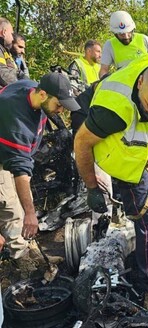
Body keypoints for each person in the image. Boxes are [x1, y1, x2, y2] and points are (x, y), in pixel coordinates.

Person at [74, 52, 148, 310]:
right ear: (140, 84)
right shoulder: (113, 110)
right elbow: (82, 143)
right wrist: (92, 187)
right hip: (126, 162)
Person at [0, 73, 80, 272]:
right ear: (43, 94)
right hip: (3, 158)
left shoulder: (31, 89)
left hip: (9, 152)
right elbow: (19, 169)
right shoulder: (17, 122)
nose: (61, 111)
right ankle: (22, 260)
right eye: (59, 105)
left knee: (20, 201)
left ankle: (31, 249)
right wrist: (30, 214)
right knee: (12, 208)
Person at [99, 10, 148, 78]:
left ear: (133, 29)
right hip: (124, 84)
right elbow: (104, 70)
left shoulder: (144, 39)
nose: (126, 37)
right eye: (122, 34)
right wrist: (103, 80)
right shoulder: (109, 45)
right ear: (115, 34)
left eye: (129, 32)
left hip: (146, 81)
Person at [0, 17, 17, 87]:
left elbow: (18, 72)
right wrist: (22, 87)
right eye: (11, 34)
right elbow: (3, 75)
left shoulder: (5, 51)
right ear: (4, 32)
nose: (13, 39)